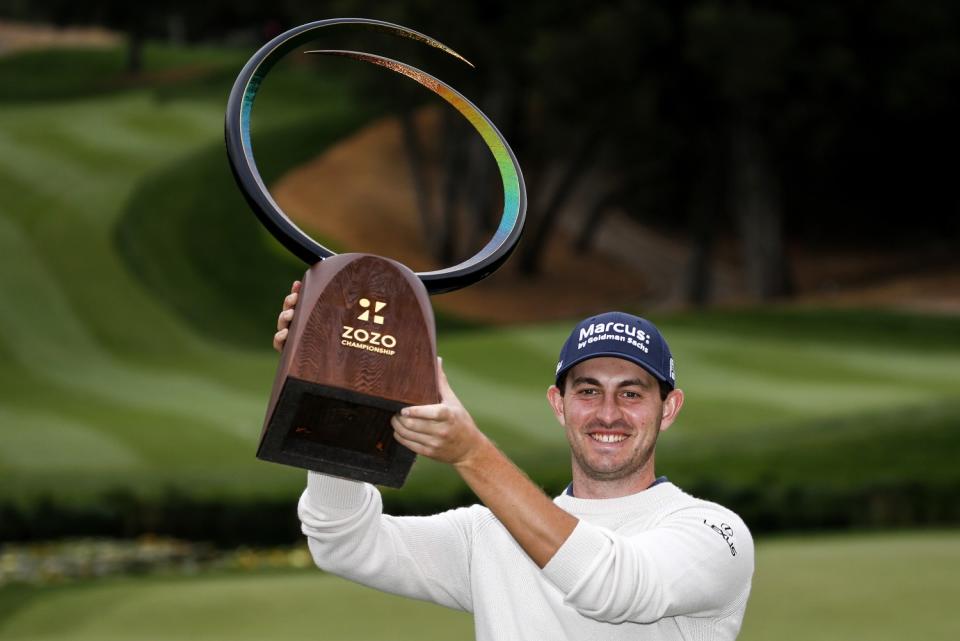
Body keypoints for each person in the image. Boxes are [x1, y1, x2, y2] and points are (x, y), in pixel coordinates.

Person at [274, 281, 754, 640]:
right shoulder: (490, 534)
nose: (609, 413)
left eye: (631, 393)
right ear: (558, 403)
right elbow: (346, 543)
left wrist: (471, 452)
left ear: (668, 409)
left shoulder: (713, 533)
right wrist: (337, 392)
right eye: (588, 391)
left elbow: (614, 585)